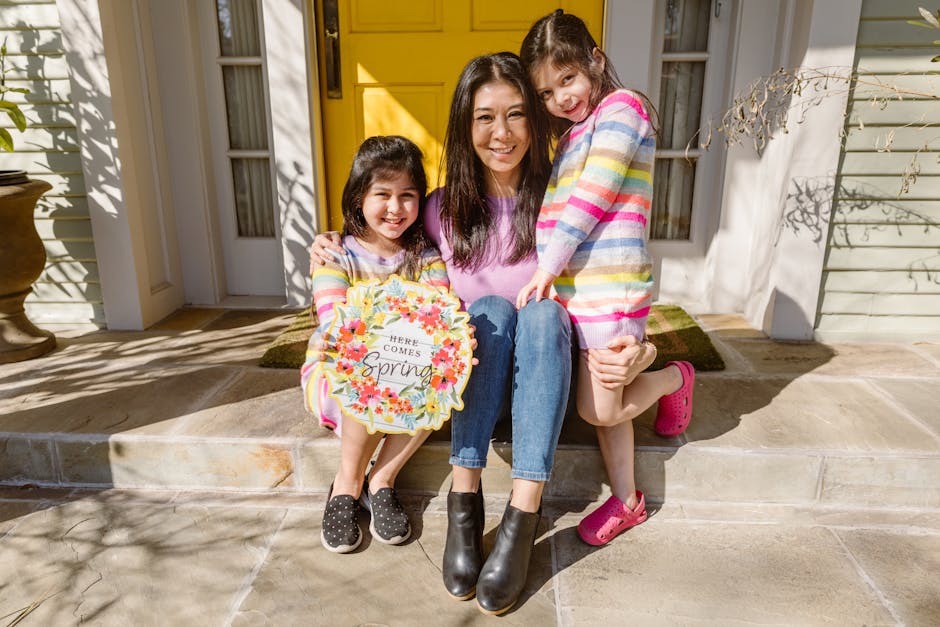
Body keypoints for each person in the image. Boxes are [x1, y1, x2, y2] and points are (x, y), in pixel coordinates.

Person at [310, 53, 655, 615]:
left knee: (544, 313)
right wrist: (330, 241)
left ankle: (523, 514)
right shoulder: (441, 210)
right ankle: (464, 499)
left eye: (517, 114)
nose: (502, 133)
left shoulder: (565, 199)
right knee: (490, 308)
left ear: (536, 121)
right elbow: (379, 236)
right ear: (464, 126)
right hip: (475, 387)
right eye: (485, 117)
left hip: (545, 383)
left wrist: (643, 346)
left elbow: (616, 277)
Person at [517, 10, 695, 547]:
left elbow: (594, 195)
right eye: (546, 92)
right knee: (607, 408)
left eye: (567, 79)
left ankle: (675, 380)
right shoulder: (573, 135)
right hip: (577, 289)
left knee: (600, 405)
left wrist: (546, 268)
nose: (560, 99)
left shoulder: (624, 108)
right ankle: (627, 499)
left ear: (596, 60)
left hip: (612, 290)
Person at [301, 135, 449, 554]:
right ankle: (346, 485)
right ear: (358, 196)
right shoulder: (336, 254)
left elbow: (439, 315)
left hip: (409, 374)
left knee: (444, 380)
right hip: (340, 370)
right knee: (365, 370)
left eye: (408, 195)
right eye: (382, 194)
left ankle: (382, 477)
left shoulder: (427, 259)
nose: (395, 207)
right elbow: (335, 323)